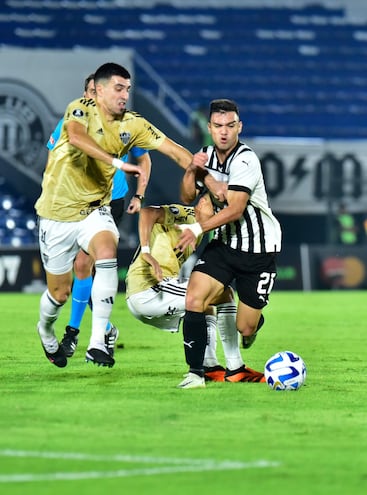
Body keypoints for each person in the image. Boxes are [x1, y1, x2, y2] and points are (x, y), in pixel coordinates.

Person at [35, 62, 223, 370]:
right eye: (119, 88)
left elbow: (176, 152)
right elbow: (77, 137)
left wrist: (210, 180)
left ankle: (97, 341)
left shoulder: (133, 124)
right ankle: (45, 329)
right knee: (59, 292)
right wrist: (117, 163)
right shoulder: (79, 109)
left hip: (96, 209)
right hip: (56, 215)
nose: (125, 95)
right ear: (98, 90)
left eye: (128, 89)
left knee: (105, 252)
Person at [175, 99, 282, 388]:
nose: (224, 132)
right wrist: (191, 170)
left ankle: (253, 325)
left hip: (258, 250)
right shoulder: (206, 155)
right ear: (209, 128)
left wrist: (197, 227)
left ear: (239, 127)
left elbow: (235, 209)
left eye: (230, 126)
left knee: (244, 327)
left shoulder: (246, 159)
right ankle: (196, 373)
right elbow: (186, 197)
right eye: (218, 126)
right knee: (194, 299)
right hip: (223, 244)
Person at [46, 74, 151, 358]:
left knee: (83, 265)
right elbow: (53, 158)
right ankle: (104, 331)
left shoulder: (123, 123)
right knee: (77, 274)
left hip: (108, 202)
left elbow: (144, 158)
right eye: (91, 92)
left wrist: (139, 195)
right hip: (70, 203)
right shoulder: (72, 122)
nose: (95, 97)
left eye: (98, 91)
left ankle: (74, 332)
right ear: (85, 94)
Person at [125, 194, 265, 383]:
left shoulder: (206, 231)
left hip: (149, 293)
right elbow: (148, 212)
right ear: (200, 204)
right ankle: (235, 368)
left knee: (206, 301)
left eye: (220, 210)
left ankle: (210, 366)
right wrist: (146, 252)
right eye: (211, 205)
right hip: (149, 288)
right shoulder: (187, 215)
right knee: (223, 295)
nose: (216, 212)